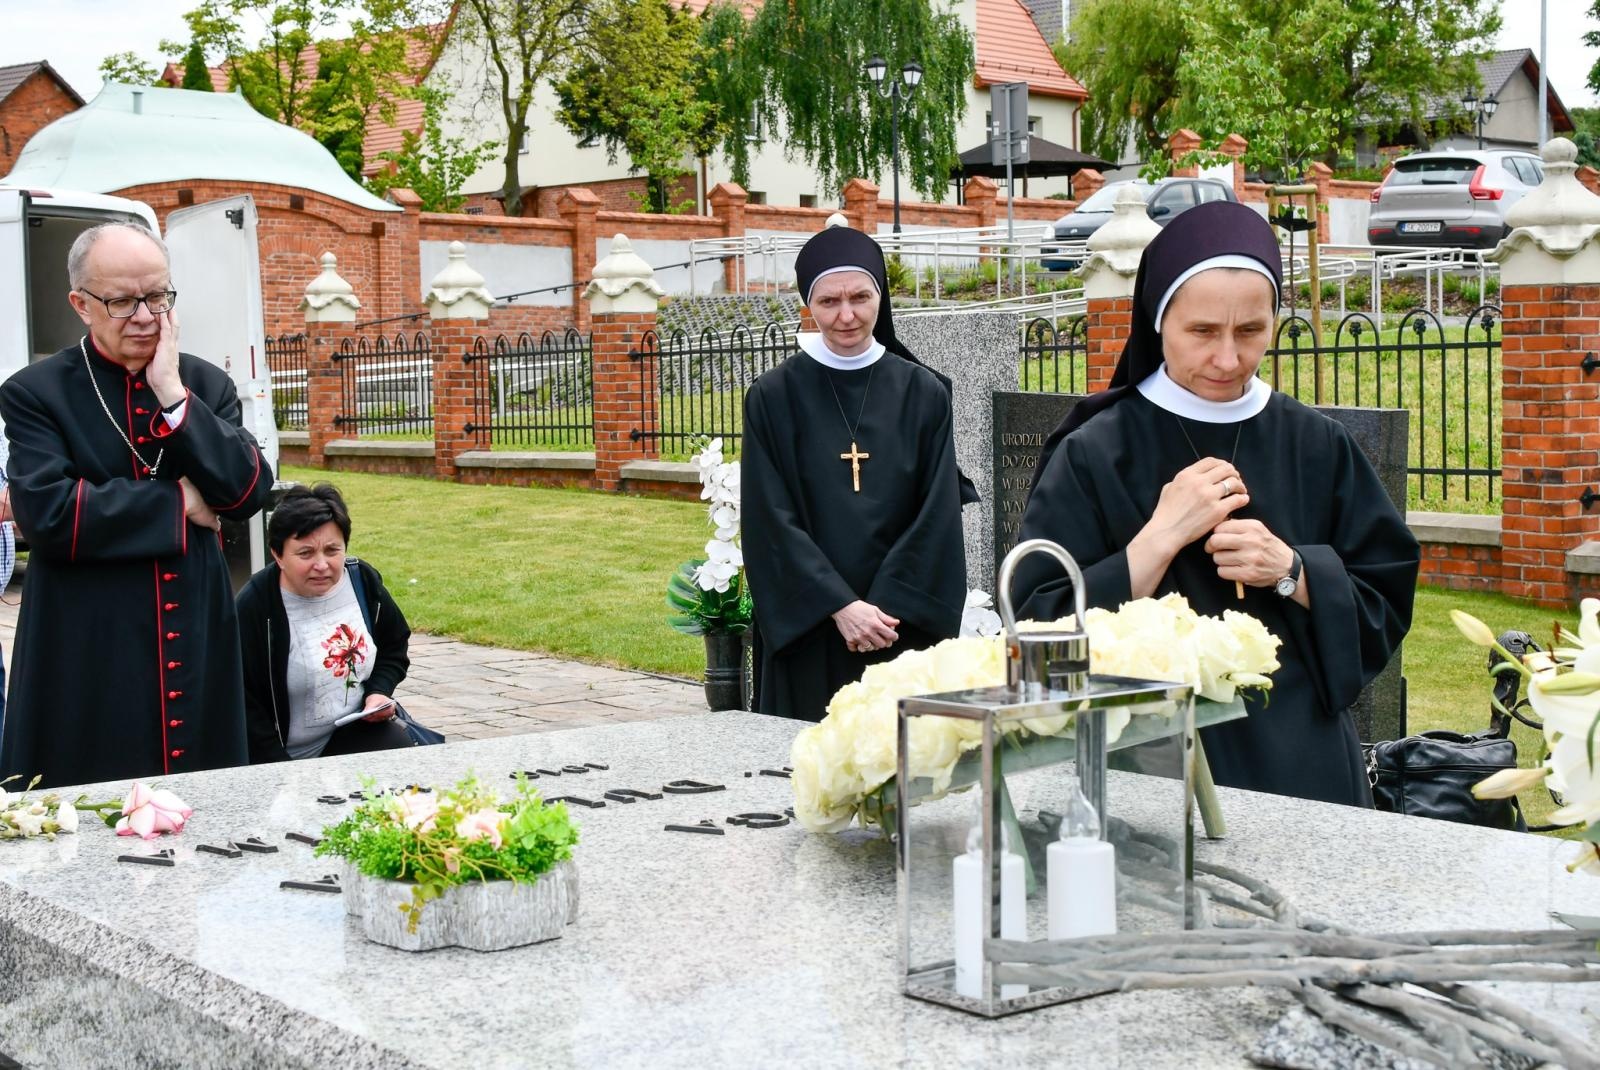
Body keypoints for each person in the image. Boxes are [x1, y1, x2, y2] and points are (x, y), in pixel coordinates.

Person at [1012, 201, 1419, 807]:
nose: (1228, 360)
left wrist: (1295, 573)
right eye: (1202, 332)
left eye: (1251, 331)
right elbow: (1039, 637)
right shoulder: (1095, 450)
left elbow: (1383, 599)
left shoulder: (1316, 444)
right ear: (1157, 321)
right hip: (1143, 766)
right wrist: (1157, 541)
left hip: (1301, 769)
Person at [0, 222, 272, 789]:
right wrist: (179, 500)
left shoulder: (203, 385)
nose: (147, 316)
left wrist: (173, 396)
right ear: (80, 303)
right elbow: (50, 515)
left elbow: (247, 493)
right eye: (123, 301)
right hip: (86, 638)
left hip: (194, 626)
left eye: (159, 296)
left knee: (207, 798)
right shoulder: (35, 392)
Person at [742, 224, 974, 721]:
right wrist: (841, 607)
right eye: (828, 302)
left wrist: (881, 609)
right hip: (811, 625)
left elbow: (937, 514)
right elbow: (769, 519)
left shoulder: (924, 393)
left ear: (880, 297)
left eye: (860, 298)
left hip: (899, 626)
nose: (846, 315)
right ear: (808, 304)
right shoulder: (772, 398)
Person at [236, 484, 415, 761]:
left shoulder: (361, 580)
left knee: (396, 747)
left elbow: (394, 645)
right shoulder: (256, 605)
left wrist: (378, 692)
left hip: (348, 736)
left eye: (332, 550)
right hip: (276, 755)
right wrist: (282, 771)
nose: (321, 565)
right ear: (277, 554)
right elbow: (242, 702)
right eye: (305, 553)